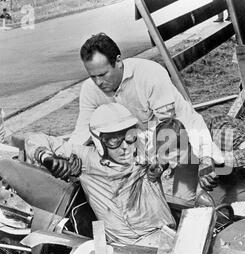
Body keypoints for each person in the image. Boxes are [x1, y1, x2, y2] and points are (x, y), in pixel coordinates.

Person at [69, 32, 224, 202]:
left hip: (183, 134)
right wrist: (68, 157)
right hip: (141, 144)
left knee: (184, 200)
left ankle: (185, 202)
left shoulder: (150, 74)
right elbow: (81, 132)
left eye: (103, 74)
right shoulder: (90, 90)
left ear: (119, 61)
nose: (98, 82)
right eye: (93, 76)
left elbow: (172, 128)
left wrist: (204, 158)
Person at [25, 103, 176, 246]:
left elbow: (176, 132)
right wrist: (47, 158)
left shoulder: (143, 146)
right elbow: (33, 138)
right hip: (129, 247)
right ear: (99, 142)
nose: (125, 147)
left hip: (166, 233)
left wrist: (164, 160)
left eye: (129, 137)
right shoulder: (87, 159)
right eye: (114, 141)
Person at [153, 114, 245, 205]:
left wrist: (216, 164)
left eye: (177, 158)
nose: (173, 166)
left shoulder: (222, 135)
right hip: (224, 161)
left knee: (228, 211)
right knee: (205, 205)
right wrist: (160, 167)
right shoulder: (181, 132)